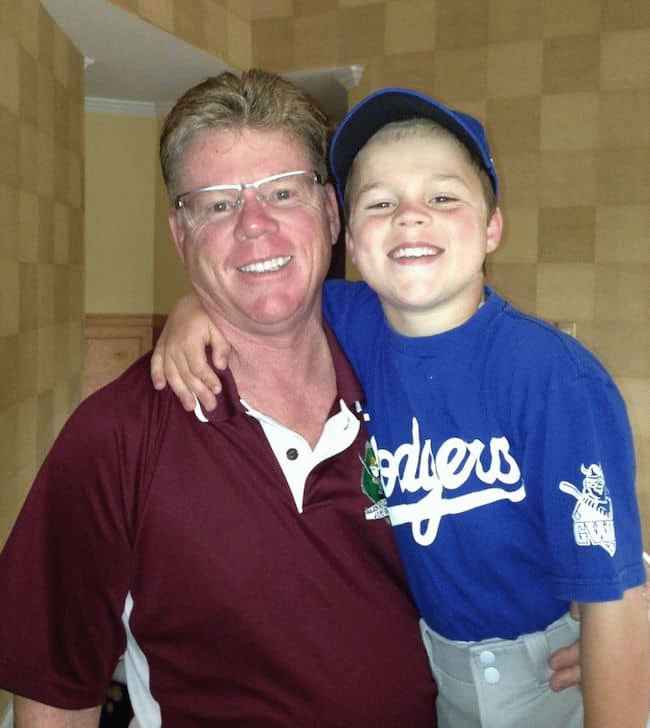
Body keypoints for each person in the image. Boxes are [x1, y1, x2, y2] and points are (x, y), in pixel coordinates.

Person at [150, 86, 649, 727]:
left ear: (492, 227)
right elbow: (253, 295)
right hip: (435, 670)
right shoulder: (343, 324)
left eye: (442, 198)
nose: (411, 217)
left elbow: (613, 594)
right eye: (381, 203)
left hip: (552, 671)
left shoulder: (554, 377)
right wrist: (192, 310)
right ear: (350, 238)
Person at [0, 71, 441, 727]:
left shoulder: (415, 385)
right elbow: (55, 694)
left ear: (330, 210)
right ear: (180, 234)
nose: (255, 225)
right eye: (216, 204)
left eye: (282, 191)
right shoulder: (116, 438)